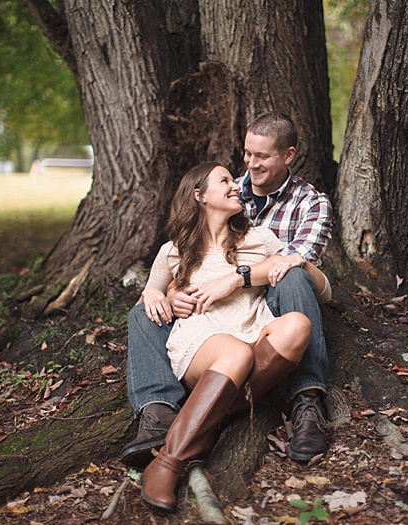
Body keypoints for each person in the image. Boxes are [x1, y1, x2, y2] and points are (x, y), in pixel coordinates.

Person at [124, 112, 333, 466]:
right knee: (142, 312)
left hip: (271, 305)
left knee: (295, 276)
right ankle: (158, 412)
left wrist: (239, 277)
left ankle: (306, 399)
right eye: (247, 154)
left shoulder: (308, 205)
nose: (248, 167)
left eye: (261, 156)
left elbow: (307, 274)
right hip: (208, 326)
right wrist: (167, 293)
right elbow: (181, 266)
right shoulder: (227, 192)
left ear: (288, 155)